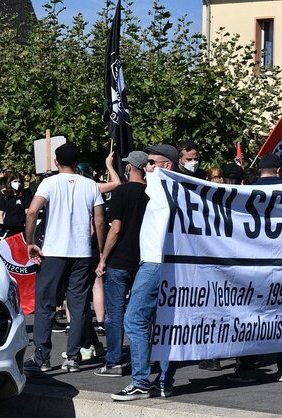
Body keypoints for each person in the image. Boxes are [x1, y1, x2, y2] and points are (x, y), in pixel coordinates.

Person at [23, 143, 107, 373]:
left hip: (53, 251)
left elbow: (32, 211)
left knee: (46, 304)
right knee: (79, 305)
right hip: (81, 252)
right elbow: (99, 221)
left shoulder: (49, 182)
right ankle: (73, 357)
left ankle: (42, 357)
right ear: (77, 161)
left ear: (56, 162)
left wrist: (31, 242)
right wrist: (100, 251)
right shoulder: (91, 186)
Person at [112, 144, 180, 401]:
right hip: (170, 263)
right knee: (165, 325)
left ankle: (140, 381)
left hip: (153, 263)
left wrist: (112, 168)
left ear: (167, 166)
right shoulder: (179, 189)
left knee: (134, 319)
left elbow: (126, 182)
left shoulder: (158, 185)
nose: (146, 167)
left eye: (151, 162)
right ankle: (164, 382)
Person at [225, 153, 282, 384]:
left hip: (253, 262)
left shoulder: (246, 192)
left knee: (250, 316)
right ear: (278, 170)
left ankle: (245, 367)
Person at [94, 151, 150, 377]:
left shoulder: (121, 192)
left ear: (129, 168)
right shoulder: (153, 192)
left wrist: (103, 257)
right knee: (141, 315)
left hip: (119, 260)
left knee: (115, 313)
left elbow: (115, 228)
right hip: (144, 259)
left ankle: (114, 361)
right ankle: (143, 358)